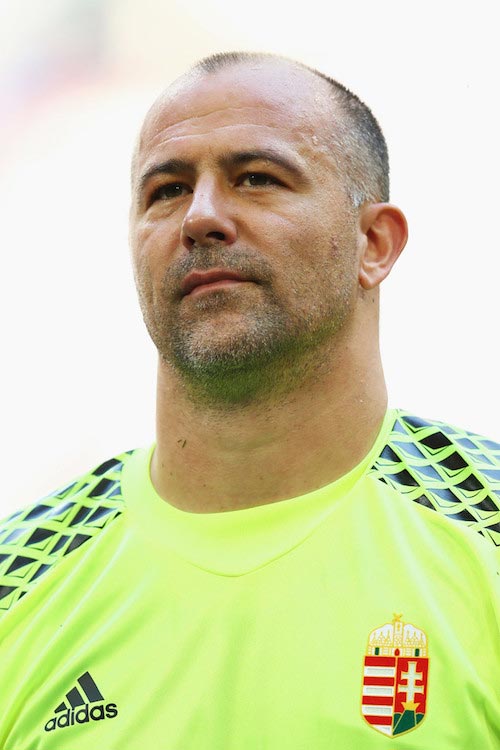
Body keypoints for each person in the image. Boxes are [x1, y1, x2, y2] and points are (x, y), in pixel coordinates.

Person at [0, 51, 499, 749]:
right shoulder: (19, 579)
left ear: (374, 243)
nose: (200, 218)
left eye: (257, 178)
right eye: (166, 191)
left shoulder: (484, 531)